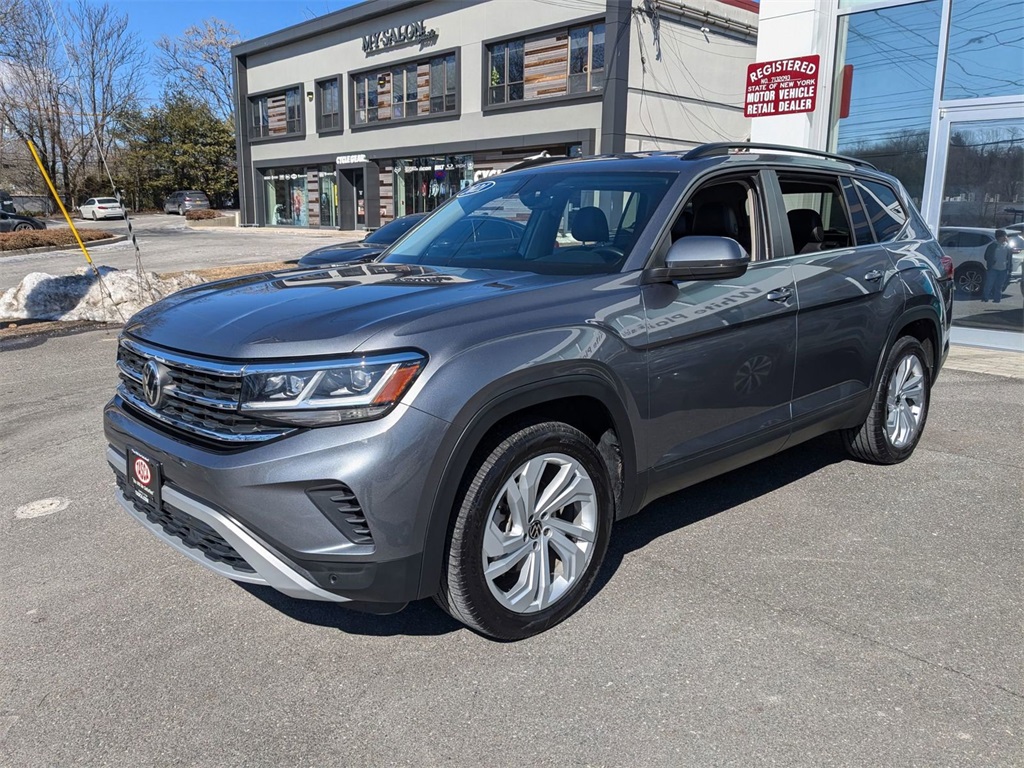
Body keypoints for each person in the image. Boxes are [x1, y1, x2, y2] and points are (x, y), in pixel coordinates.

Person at [981, 229, 1012, 303]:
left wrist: (1009, 267)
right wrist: (991, 262)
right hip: (993, 268)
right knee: (989, 284)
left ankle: (997, 299)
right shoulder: (993, 245)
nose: (1005, 238)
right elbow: (986, 256)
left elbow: (1009, 258)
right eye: (1004, 236)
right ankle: (985, 297)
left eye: (1005, 236)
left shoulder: (1007, 247)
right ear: (999, 237)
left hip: (1003, 269)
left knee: (999, 285)